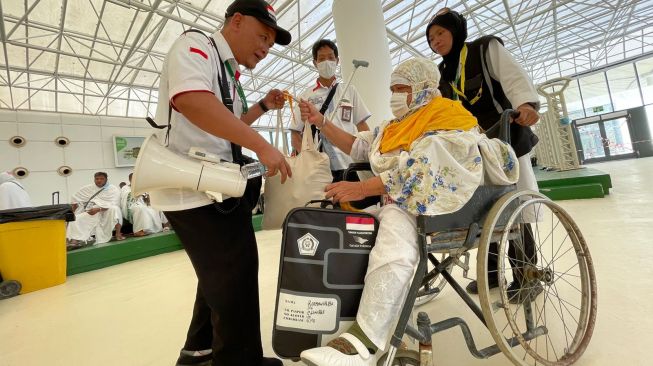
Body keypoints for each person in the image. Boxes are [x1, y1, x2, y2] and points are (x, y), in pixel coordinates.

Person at [297, 58, 519, 366]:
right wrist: (321, 121)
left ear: (425, 89)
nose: (394, 96)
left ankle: (364, 343)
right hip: (396, 201)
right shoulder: (394, 126)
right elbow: (358, 146)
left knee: (394, 233)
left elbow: (426, 168)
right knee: (351, 229)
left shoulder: (448, 118)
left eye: (401, 89)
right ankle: (353, 318)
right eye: (392, 89)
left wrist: (362, 189)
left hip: (440, 208)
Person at [147, 0, 292, 365]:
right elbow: (193, 101)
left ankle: (199, 351)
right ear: (237, 21)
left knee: (217, 277)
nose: (265, 47)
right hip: (194, 187)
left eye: (271, 43)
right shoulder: (196, 46)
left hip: (211, 186)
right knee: (236, 279)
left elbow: (226, 123)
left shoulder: (226, 70)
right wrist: (263, 147)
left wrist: (261, 107)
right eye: (262, 36)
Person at [426, 8, 542, 299]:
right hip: (473, 149)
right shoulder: (442, 74)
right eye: (430, 38)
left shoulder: (484, 48)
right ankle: (491, 276)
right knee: (484, 209)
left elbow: (513, 77)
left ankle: (527, 276)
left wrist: (526, 105)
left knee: (516, 207)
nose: (435, 41)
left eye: (440, 33)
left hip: (506, 139)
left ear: (455, 30)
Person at [290, 39, 371, 182]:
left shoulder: (349, 91)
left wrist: (368, 153)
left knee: (353, 203)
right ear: (315, 63)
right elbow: (295, 133)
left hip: (351, 164)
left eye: (331, 57)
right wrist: (308, 158)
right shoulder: (305, 96)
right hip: (321, 167)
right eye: (321, 59)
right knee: (324, 203)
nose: (327, 62)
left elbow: (362, 126)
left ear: (337, 60)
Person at [66, 172, 123, 246]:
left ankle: (118, 234)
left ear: (106, 179)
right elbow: (74, 198)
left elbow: (114, 203)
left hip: (106, 211)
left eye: (101, 179)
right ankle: (74, 240)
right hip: (91, 211)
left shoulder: (112, 189)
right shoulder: (89, 188)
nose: (99, 180)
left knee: (115, 209)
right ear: (94, 179)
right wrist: (73, 212)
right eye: (97, 179)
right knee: (76, 219)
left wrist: (99, 209)